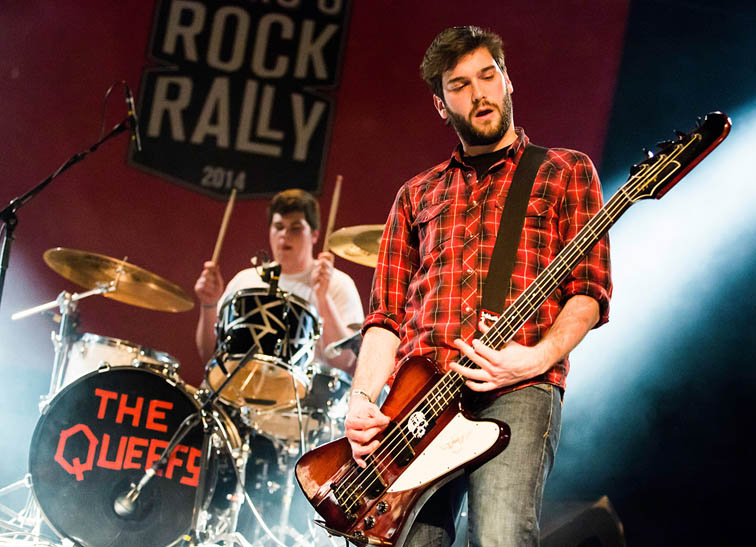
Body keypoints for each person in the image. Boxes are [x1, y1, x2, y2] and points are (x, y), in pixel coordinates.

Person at [343, 26, 612, 545]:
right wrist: (360, 399)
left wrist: (538, 358)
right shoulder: (415, 194)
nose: (480, 92)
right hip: (416, 398)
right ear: (441, 105)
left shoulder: (565, 171)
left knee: (500, 536)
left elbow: (589, 290)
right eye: (460, 85)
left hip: (516, 383)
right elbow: (385, 319)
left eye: (489, 75)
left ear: (508, 81)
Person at [194, 188, 364, 375]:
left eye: (296, 228)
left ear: (314, 235)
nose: (285, 234)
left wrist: (323, 298)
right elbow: (210, 355)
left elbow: (344, 361)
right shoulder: (246, 280)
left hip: (306, 400)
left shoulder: (338, 283)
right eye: (279, 227)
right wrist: (208, 304)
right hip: (241, 392)